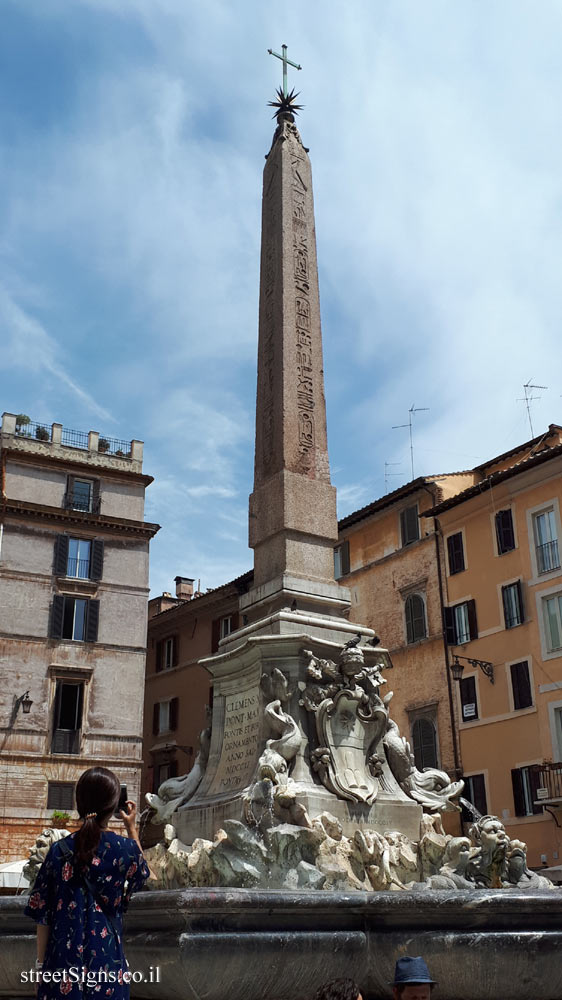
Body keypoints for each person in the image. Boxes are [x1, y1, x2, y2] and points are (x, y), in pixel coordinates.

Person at [24, 766, 151, 999]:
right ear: (113, 806)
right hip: (108, 966)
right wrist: (131, 827)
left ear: (79, 802)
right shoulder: (124, 850)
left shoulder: (58, 852)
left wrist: (41, 969)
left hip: (60, 969)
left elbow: (43, 916)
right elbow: (143, 873)